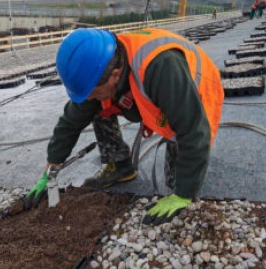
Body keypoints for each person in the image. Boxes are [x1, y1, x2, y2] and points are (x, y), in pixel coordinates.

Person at [24, 28, 224, 225]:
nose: (88, 98)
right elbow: (70, 122)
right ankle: (120, 167)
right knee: (97, 107)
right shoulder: (99, 66)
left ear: (115, 74)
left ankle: (181, 190)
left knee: (178, 179)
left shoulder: (161, 67)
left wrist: (183, 193)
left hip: (193, 90)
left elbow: (194, 131)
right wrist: (52, 165)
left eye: (92, 92)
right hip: (149, 87)